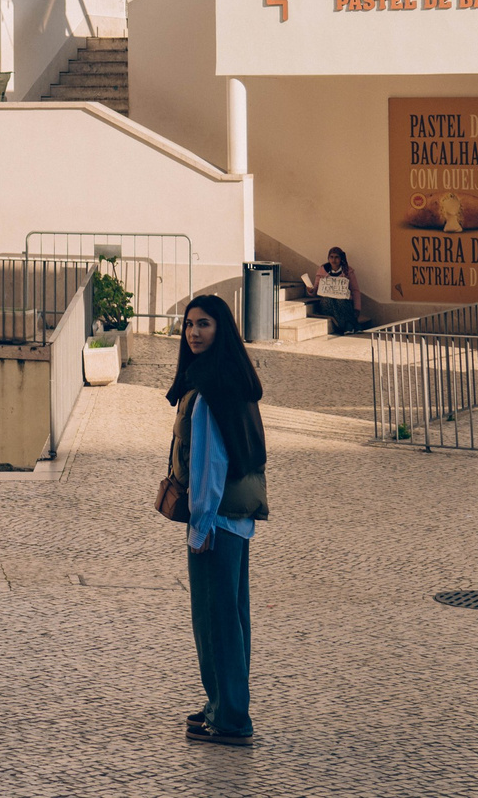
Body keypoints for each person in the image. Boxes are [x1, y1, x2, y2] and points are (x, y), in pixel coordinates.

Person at [168, 293, 266, 747]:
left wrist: (200, 526)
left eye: (204, 324)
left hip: (216, 522)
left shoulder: (208, 388)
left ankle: (230, 719)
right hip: (237, 520)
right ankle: (224, 705)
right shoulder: (232, 376)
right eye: (189, 324)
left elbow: (209, 464)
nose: (193, 332)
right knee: (232, 617)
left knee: (215, 621)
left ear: (220, 328)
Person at [304, 247, 364, 335]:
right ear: (328, 258)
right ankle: (351, 324)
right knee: (327, 301)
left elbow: (355, 290)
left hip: (343, 302)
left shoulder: (347, 271)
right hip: (328, 303)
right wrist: (310, 290)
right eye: (331, 257)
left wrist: (357, 308)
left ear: (341, 258)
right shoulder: (323, 270)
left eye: (336, 257)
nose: (334, 260)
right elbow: (315, 290)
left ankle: (348, 326)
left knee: (340, 302)